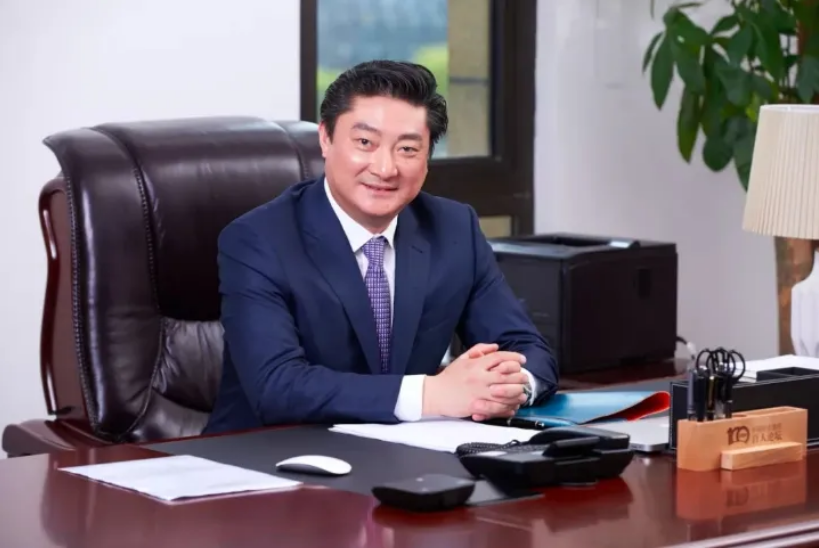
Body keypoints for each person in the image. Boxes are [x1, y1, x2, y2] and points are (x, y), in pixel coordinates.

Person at [203, 60, 558, 434]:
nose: (385, 168)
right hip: (264, 454)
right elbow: (277, 386)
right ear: (325, 138)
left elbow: (526, 348)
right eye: (365, 143)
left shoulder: (453, 228)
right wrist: (431, 394)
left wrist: (509, 387)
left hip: (404, 453)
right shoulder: (258, 239)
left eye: (407, 149)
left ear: (427, 158)